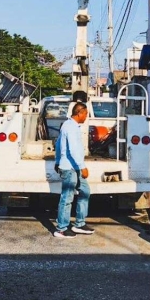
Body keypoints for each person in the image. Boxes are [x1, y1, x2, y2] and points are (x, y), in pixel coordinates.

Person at [53, 101, 95, 238]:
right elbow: (73, 149)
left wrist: (57, 160)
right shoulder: (70, 127)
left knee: (85, 191)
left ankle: (79, 224)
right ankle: (61, 228)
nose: (87, 117)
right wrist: (83, 166)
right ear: (79, 113)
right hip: (70, 168)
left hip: (74, 166)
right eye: (86, 114)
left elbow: (59, 144)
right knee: (67, 197)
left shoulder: (71, 126)